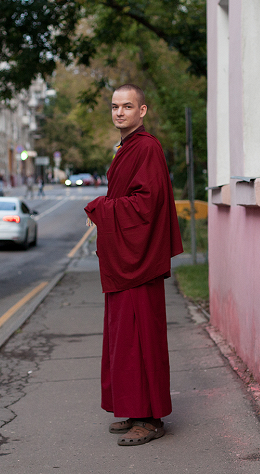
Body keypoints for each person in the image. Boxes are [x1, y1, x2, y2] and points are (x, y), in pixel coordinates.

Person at [84, 84, 183, 447]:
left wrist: (101, 207)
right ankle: (133, 409)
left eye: (127, 106)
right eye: (114, 107)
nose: (119, 112)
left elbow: (146, 204)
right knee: (123, 340)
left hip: (139, 261)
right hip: (126, 257)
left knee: (141, 340)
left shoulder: (147, 148)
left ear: (142, 111)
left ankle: (151, 418)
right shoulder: (127, 148)